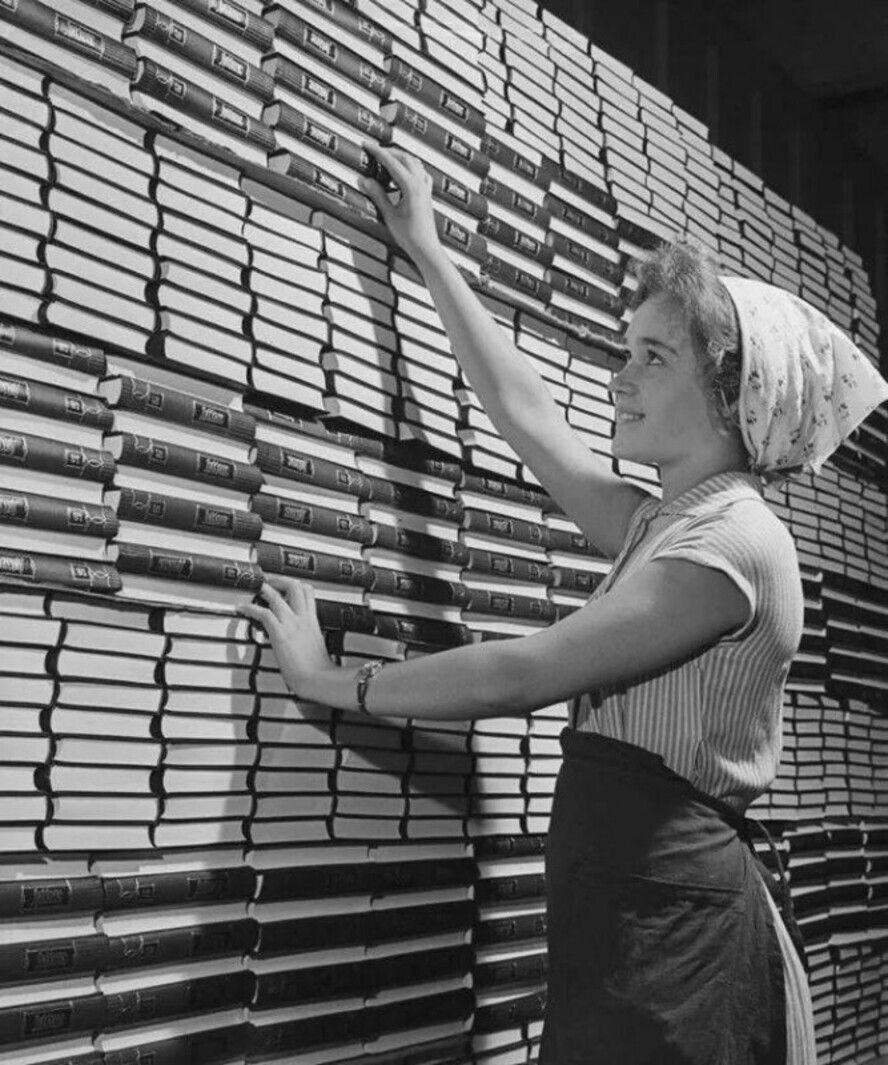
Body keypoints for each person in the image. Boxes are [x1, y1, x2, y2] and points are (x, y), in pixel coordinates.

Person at [241, 142, 888, 1064]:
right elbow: (529, 415)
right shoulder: (663, 523)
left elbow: (526, 671)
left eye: (652, 358)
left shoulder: (736, 545)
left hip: (681, 944)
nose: (621, 377)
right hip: (627, 919)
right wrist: (427, 250)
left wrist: (330, 680)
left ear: (732, 395)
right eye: (627, 351)